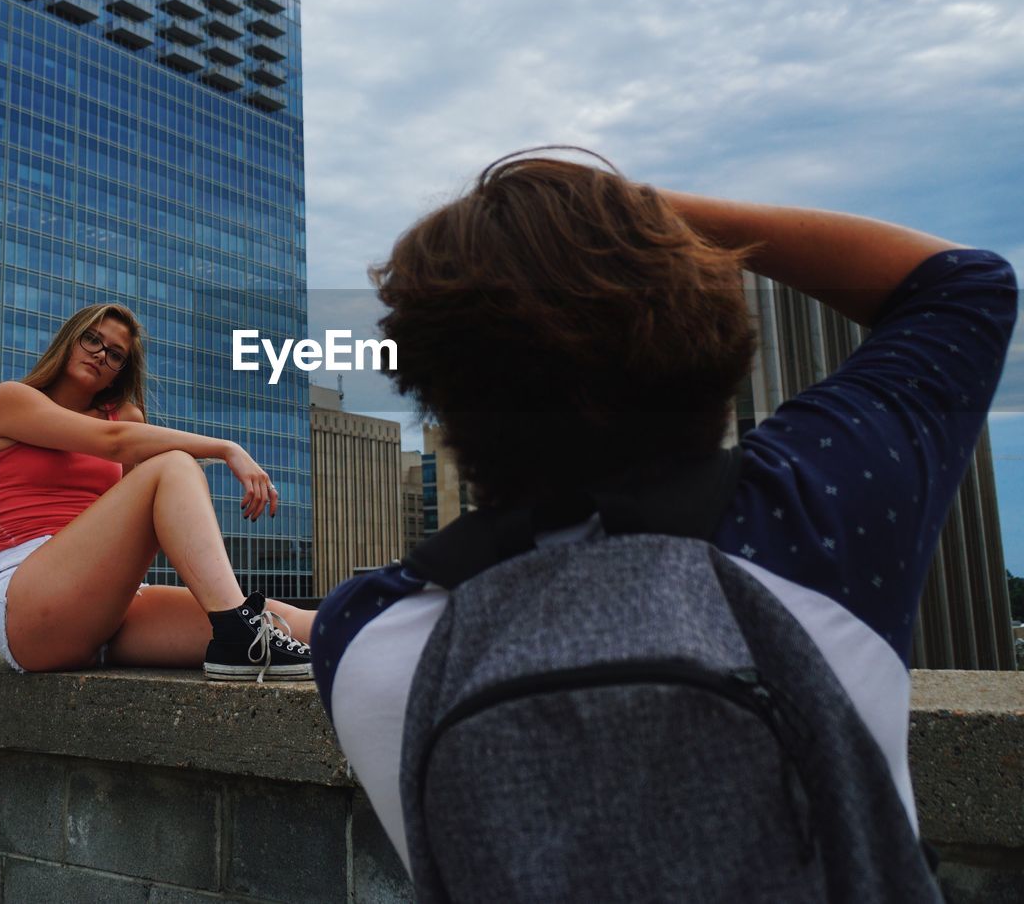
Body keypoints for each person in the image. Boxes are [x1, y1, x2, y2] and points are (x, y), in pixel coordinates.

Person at [311, 152, 1017, 874]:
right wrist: (630, 209)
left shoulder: (364, 633)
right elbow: (965, 284)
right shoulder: (812, 518)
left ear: (427, 385)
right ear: (714, 345)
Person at [0, 302, 313, 681]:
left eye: (115, 354)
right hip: (28, 601)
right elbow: (113, 443)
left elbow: (135, 517)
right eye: (92, 340)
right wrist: (226, 448)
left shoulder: (126, 419)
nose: (101, 355)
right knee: (173, 464)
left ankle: (363, 630)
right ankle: (237, 631)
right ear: (69, 341)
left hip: (105, 606)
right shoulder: (10, 400)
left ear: (119, 372)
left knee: (283, 624)